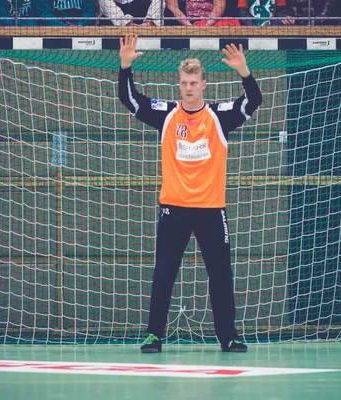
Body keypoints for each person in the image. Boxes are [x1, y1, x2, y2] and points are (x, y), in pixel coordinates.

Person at [117, 34, 262, 353]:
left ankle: (230, 336)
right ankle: (154, 335)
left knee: (221, 275)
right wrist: (125, 66)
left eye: (194, 82)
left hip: (212, 210)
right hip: (174, 209)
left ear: (204, 84)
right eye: (184, 82)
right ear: (179, 85)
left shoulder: (219, 116)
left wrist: (244, 71)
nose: (189, 87)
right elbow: (132, 101)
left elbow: (252, 102)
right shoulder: (166, 114)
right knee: (164, 274)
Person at [164, 0, 240, 26]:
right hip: (185, 22)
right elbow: (173, 8)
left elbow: (219, 7)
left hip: (211, 22)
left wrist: (207, 25)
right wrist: (190, 26)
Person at [97, 0, 162, 26]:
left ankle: (150, 22)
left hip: (140, 7)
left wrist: (149, 22)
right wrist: (126, 23)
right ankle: (125, 23)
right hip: (117, 13)